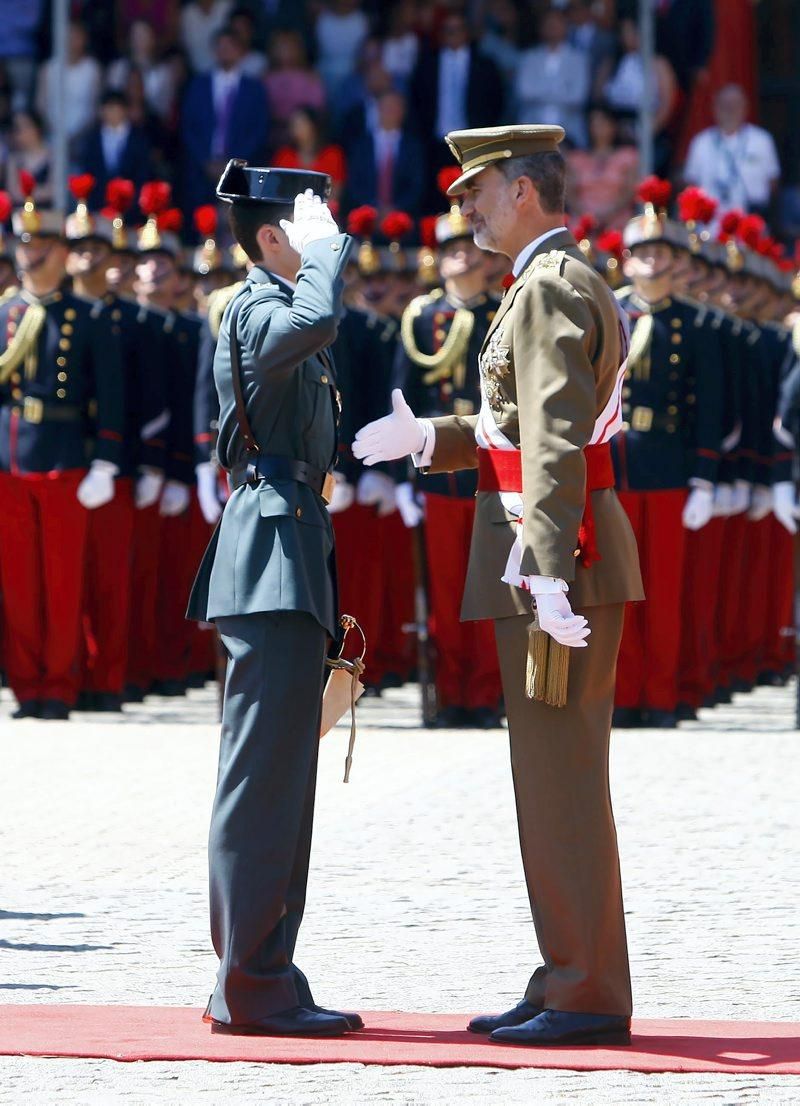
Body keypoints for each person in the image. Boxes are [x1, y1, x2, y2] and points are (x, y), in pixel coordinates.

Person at [353, 124, 643, 1047]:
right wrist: (432, 439)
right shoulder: (542, 284)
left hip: (556, 561)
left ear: (524, 190)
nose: (462, 205)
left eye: (475, 189)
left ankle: (586, 990)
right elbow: (516, 427)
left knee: (560, 783)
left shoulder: (550, 288)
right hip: (550, 555)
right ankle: (567, 969)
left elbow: (556, 444)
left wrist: (551, 574)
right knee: (549, 781)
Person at [187, 161, 361, 1037]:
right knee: (261, 781)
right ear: (269, 239)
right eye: (309, 226)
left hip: (291, 544)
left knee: (285, 780)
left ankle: (266, 972)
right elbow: (319, 312)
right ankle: (247, 985)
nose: (329, 243)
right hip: (270, 553)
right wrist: (325, 259)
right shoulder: (258, 307)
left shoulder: (278, 310)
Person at [0, 186, 124, 720]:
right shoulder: (6, 313)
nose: (32, 253)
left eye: (43, 243)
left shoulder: (87, 316)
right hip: (10, 461)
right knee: (19, 585)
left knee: (62, 581)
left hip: (64, 457)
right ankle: (27, 685)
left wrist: (106, 461)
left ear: (60, 250)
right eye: (25, 242)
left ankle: (59, 684)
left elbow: (111, 396)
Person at [392, 185, 503, 728]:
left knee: (486, 587)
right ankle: (449, 691)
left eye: (468, 246)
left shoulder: (500, 313)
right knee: (442, 590)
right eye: (450, 247)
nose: (461, 255)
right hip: (434, 471)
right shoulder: (420, 318)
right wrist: (399, 479)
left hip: (485, 466)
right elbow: (401, 399)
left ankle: (483, 694)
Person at [180, 26, 270, 211]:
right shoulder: (199, 85)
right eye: (221, 47)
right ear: (214, 51)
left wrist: (232, 164)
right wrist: (205, 161)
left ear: (241, 51)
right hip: (201, 170)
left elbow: (258, 130)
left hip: (242, 171)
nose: (225, 51)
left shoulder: (254, 89)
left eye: (230, 47)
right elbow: (188, 127)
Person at [683, 85, 780, 218]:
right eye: (725, 105)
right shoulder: (701, 142)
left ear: (745, 108)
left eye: (735, 105)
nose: (730, 110)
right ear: (714, 108)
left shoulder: (762, 140)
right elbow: (690, 184)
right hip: (710, 224)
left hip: (750, 222)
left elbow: (773, 182)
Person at [514, 8, 591, 147]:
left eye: (557, 23)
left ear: (566, 26)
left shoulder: (578, 59)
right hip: (533, 130)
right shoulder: (529, 58)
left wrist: (541, 91)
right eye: (549, 23)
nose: (553, 27)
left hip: (569, 133)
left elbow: (578, 97)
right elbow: (524, 92)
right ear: (541, 28)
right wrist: (560, 90)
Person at [343, 90, 424, 216]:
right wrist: (373, 209)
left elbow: (416, 187)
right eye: (386, 108)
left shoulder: (413, 147)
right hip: (367, 218)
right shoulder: (361, 145)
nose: (389, 113)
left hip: (403, 219)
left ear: (403, 112)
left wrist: (395, 210)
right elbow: (354, 184)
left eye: (394, 108)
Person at [35, 22, 102, 160]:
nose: (72, 42)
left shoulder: (93, 69)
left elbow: (96, 107)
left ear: (84, 40)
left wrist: (75, 137)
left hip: (83, 136)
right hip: (52, 135)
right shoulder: (48, 68)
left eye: (77, 37)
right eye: (68, 37)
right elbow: (41, 106)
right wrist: (56, 134)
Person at [567, 104, 639, 230]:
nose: (598, 128)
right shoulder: (576, 158)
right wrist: (587, 218)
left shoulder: (628, 156)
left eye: (602, 122)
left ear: (613, 125)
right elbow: (568, 193)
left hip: (617, 221)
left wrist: (607, 216)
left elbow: (630, 191)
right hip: (581, 222)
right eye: (594, 123)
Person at [78, 92, 153, 209]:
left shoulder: (139, 139)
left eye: (116, 109)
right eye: (108, 109)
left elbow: (143, 174)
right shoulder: (92, 139)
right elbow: (89, 172)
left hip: (131, 209)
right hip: (100, 207)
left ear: (124, 110)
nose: (112, 113)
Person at [263, 30, 326, 148]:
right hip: (273, 136)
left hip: (304, 135)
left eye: (290, 46)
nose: (285, 50)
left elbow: (317, 110)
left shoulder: (311, 78)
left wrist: (297, 126)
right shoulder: (265, 78)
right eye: (281, 46)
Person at [273, 107, 346, 202]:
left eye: (302, 124)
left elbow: (335, 193)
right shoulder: (284, 156)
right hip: (290, 212)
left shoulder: (332, 155)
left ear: (314, 125)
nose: (297, 128)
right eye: (294, 124)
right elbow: (278, 191)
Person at [5, 110, 53, 207]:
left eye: (26, 126)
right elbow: (13, 193)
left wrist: (27, 194)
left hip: (47, 214)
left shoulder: (52, 157)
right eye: (17, 128)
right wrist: (39, 192)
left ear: (37, 127)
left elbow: (54, 190)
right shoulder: (14, 159)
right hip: (20, 214)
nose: (21, 132)